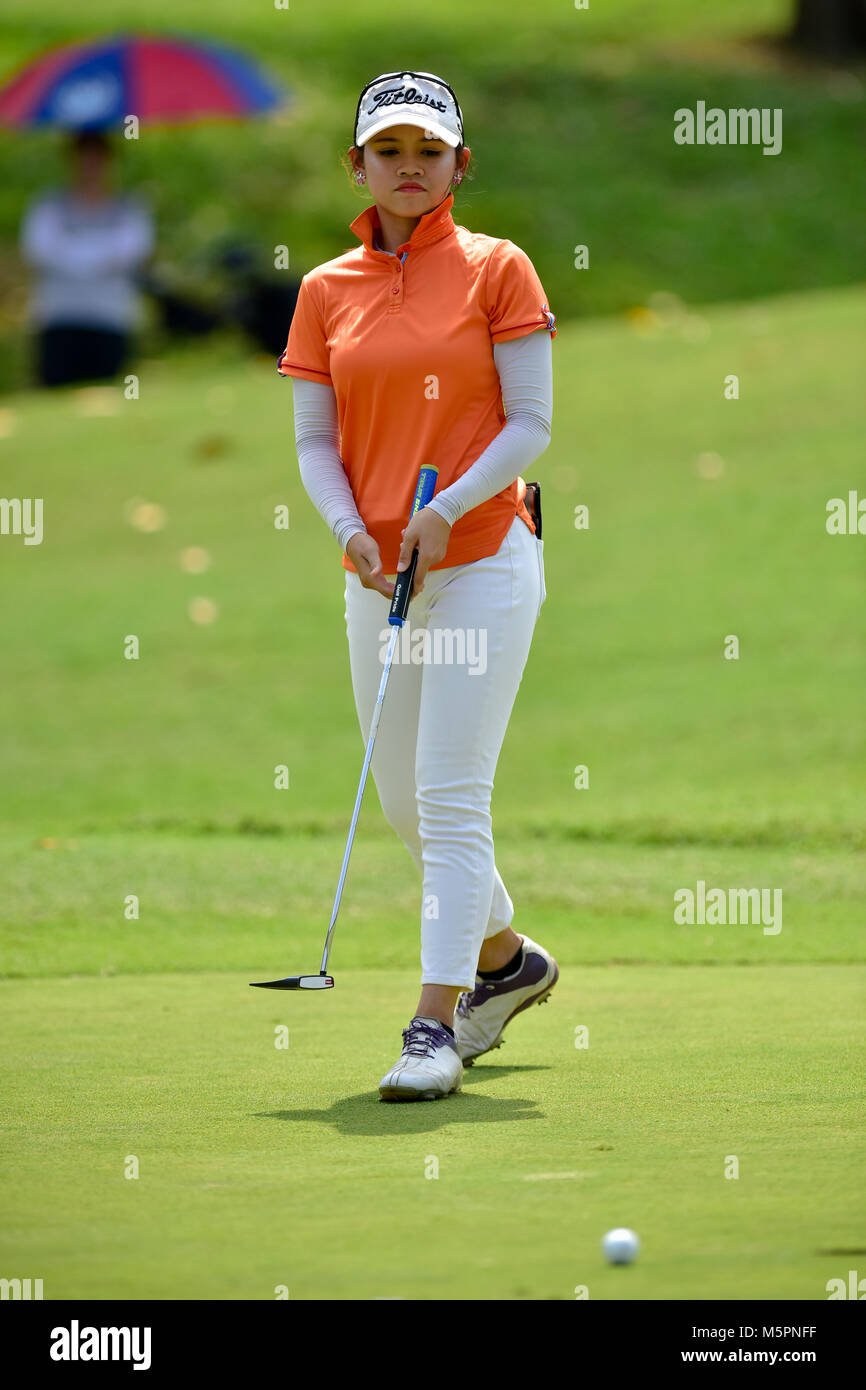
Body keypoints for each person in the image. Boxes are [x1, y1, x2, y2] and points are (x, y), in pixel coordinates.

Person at [277, 70, 558, 1102]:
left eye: (426, 152)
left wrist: (447, 510)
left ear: (458, 165)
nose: (408, 168)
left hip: (479, 558)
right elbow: (315, 439)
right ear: (357, 165)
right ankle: (505, 961)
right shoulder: (324, 290)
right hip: (376, 575)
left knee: (446, 796)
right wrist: (351, 527)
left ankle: (432, 1025)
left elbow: (528, 421)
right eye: (387, 151)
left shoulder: (497, 269)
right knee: (403, 802)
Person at [20, 129, 153, 388]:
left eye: (97, 159)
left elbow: (132, 252)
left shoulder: (129, 209)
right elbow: (40, 251)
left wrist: (73, 252)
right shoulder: (48, 206)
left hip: (111, 318)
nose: (90, 168)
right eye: (84, 159)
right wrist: (100, 255)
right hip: (59, 318)